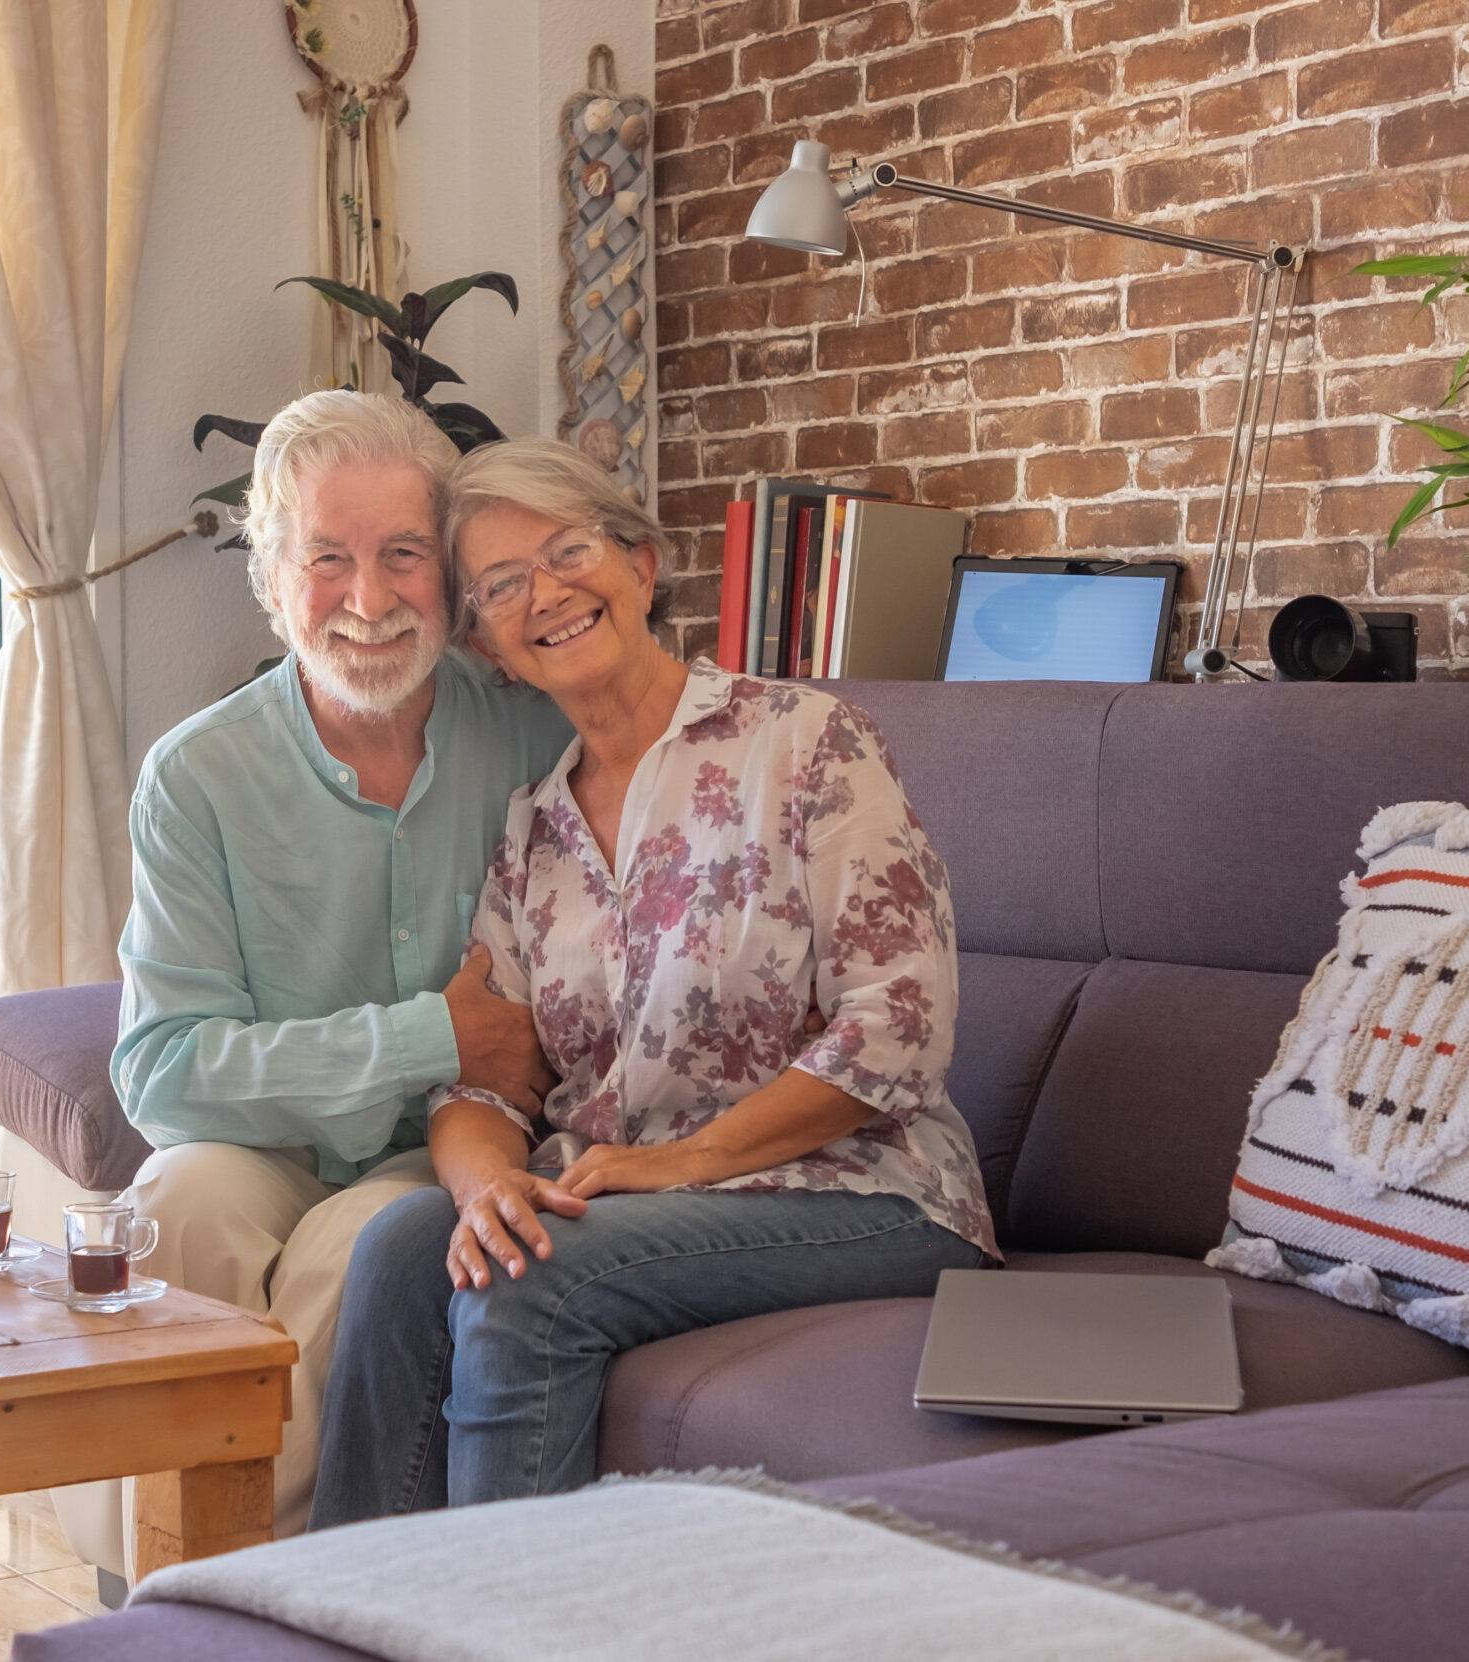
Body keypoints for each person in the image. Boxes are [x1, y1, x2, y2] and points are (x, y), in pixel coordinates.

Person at [311, 441, 997, 1524]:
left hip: (864, 1191)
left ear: (640, 562)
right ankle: (346, 1626)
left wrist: (673, 1165)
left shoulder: (807, 742)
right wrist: (486, 1187)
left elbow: (895, 1030)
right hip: (631, 1197)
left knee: (525, 1276)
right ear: (487, 644)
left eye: (568, 551)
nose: (545, 594)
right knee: (402, 1244)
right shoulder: (531, 831)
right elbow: (486, 1084)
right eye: (500, 586)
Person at [107, 391, 575, 1544]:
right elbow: (160, 1073)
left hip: (443, 1147)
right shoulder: (196, 778)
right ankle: (173, 1581)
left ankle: (237, 1597)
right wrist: (431, 1034)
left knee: (360, 1246)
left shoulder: (532, 738)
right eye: (327, 559)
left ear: (449, 577)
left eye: (402, 556)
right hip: (262, 1147)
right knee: (173, 1202)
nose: (368, 602)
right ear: (271, 581)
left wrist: (458, 1069)